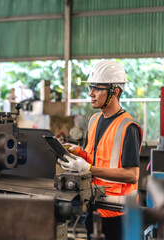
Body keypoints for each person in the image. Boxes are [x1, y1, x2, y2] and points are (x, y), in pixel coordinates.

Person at [58, 60, 142, 240]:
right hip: (93, 207)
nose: (91, 93)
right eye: (91, 88)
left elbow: (132, 175)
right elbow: (96, 158)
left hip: (118, 215)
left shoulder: (128, 127)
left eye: (97, 88)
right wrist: (79, 154)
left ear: (115, 91)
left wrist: (88, 169)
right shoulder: (94, 120)